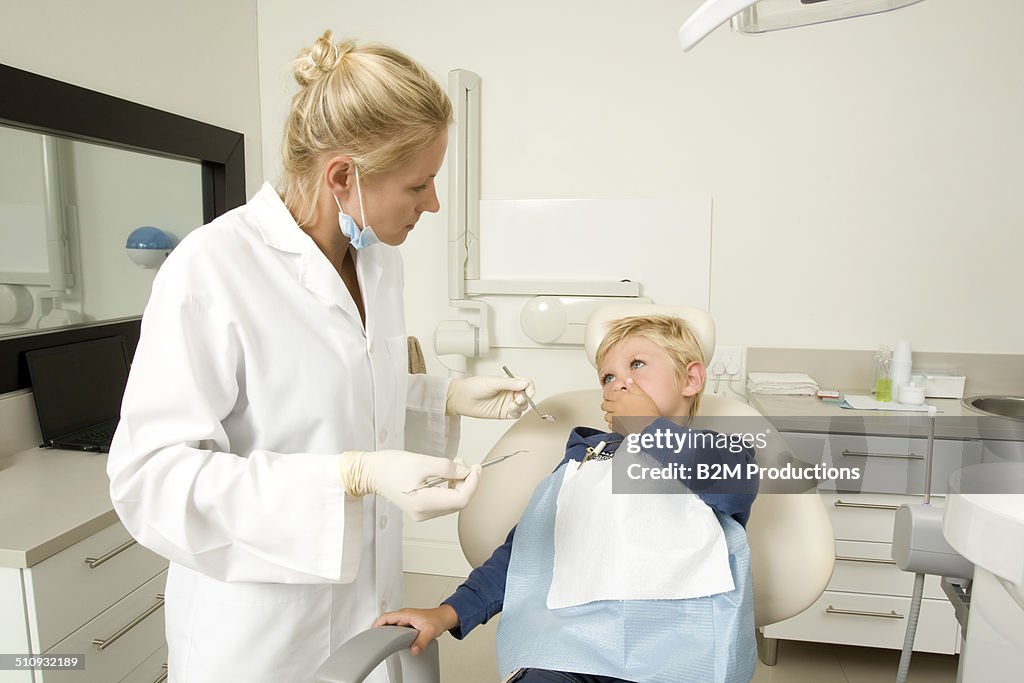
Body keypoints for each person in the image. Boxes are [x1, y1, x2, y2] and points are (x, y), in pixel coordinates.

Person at [107, 31, 534, 683]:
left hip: (371, 610)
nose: (434, 204)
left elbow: (350, 396)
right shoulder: (214, 268)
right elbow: (150, 480)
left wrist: (439, 394)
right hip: (262, 635)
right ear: (342, 176)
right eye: (419, 185)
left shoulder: (379, 261)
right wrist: (348, 476)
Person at [375, 315, 760, 683]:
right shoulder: (585, 460)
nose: (618, 383)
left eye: (637, 364)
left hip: (681, 656)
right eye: (608, 377)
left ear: (690, 379)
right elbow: (529, 553)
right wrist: (447, 613)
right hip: (569, 652)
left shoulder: (720, 450)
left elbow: (728, 480)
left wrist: (648, 428)